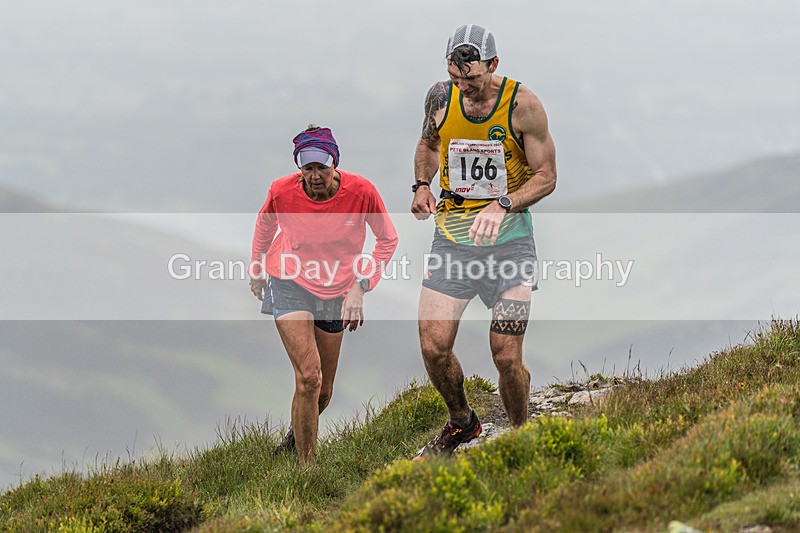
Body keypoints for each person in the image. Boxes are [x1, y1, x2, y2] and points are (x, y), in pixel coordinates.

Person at [411, 24, 556, 458]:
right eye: (456, 78)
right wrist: (422, 185)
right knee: (433, 347)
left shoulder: (523, 105)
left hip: (510, 243)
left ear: (493, 64)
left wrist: (503, 204)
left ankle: (520, 436)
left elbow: (547, 177)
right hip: (453, 240)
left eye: (472, 78)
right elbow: (428, 146)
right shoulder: (441, 98)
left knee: (506, 355)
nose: (464, 87)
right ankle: (463, 422)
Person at [249, 125, 398, 465]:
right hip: (288, 281)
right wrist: (256, 268)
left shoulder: (362, 192)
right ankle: (307, 470)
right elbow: (265, 225)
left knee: (323, 390)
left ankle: (295, 438)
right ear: (299, 167)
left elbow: (387, 239)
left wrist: (360, 286)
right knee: (309, 376)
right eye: (308, 168)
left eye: (322, 167)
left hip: (337, 288)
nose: (315, 176)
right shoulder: (281, 191)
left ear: (335, 164)